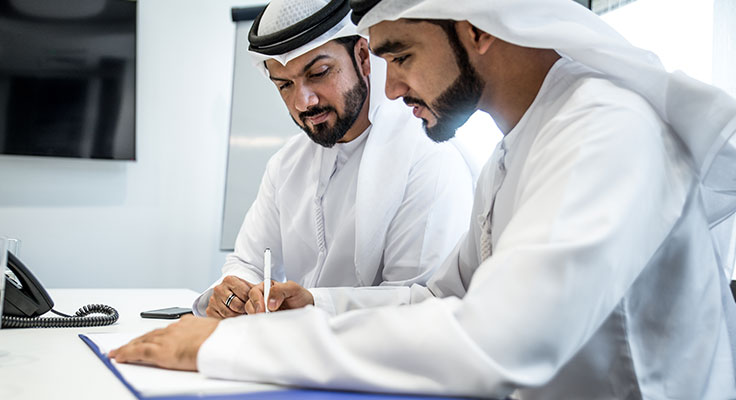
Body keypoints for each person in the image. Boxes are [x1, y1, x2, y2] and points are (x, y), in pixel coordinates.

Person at [110, 0, 736, 398]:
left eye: (401, 54)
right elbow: (443, 295)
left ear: (474, 30)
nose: (390, 87)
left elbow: (496, 344)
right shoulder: (520, 146)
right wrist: (317, 302)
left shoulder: (606, 128)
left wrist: (224, 347)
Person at [195, 0, 476, 319]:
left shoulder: (427, 157)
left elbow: (423, 305)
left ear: (363, 57)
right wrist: (234, 293)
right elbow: (247, 263)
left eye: (318, 73)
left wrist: (315, 303)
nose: (303, 102)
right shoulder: (287, 163)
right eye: (285, 85)